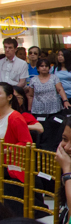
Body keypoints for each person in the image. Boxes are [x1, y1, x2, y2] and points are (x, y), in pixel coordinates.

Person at [0, 82, 33, 216]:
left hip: (10, 165)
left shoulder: (15, 118)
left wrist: (6, 150)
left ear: (9, 97)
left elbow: (27, 143)